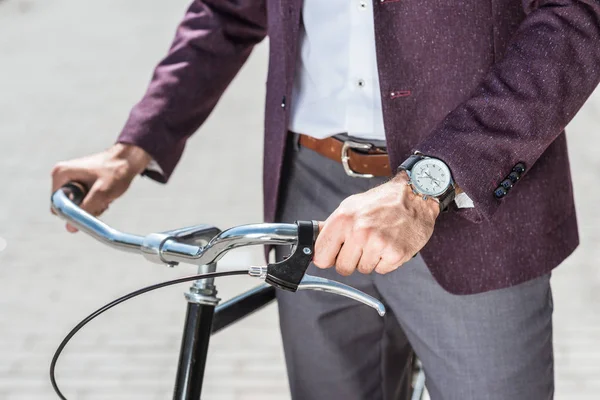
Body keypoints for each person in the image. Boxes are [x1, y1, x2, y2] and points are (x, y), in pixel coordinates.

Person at [51, 0, 600, 398]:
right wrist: (136, 144)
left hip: (464, 197)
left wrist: (430, 180)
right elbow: (226, 12)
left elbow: (574, 18)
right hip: (310, 190)